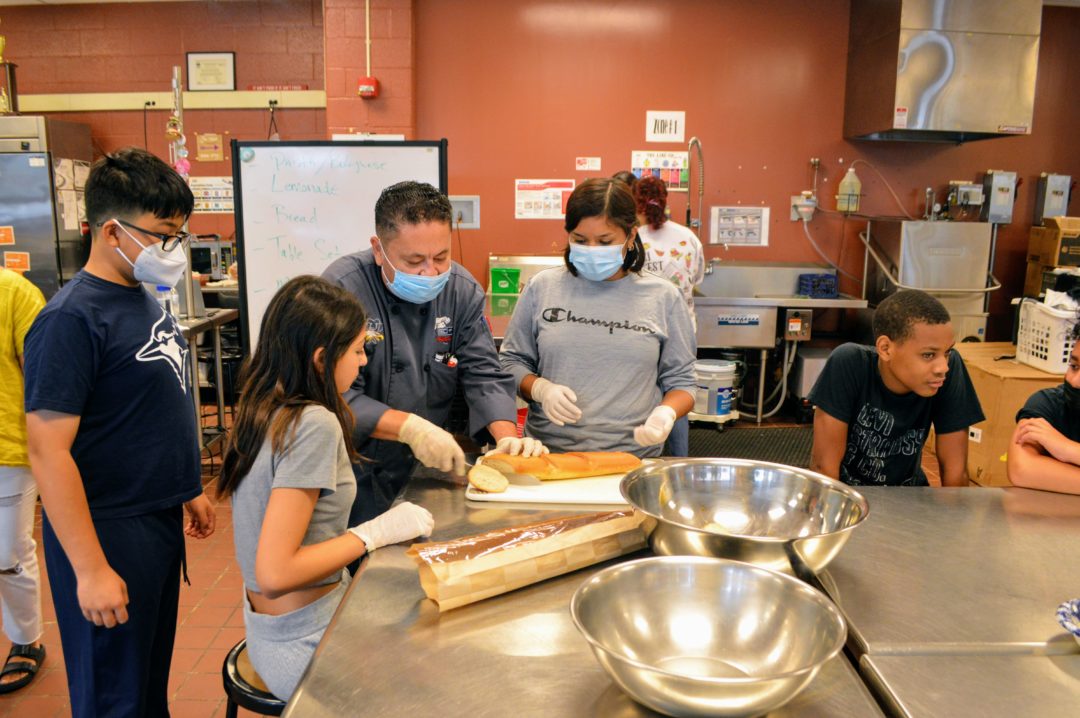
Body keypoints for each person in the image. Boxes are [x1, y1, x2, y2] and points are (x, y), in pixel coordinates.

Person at [23, 147, 216, 717]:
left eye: (178, 236)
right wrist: (90, 569)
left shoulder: (140, 297)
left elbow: (150, 404)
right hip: (107, 527)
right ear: (111, 230)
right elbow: (48, 452)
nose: (173, 251)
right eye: (163, 235)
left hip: (154, 518)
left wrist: (187, 485)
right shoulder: (70, 319)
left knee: (144, 684)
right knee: (114, 696)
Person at [220, 276, 433, 700]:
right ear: (322, 358)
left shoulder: (263, 405)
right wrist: (373, 534)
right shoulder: (313, 424)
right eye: (356, 351)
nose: (362, 363)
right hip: (304, 639)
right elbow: (276, 573)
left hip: (269, 629)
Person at [322, 181, 545, 525]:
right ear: (379, 250)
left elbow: (483, 372)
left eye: (441, 257)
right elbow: (332, 394)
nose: (431, 272)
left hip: (424, 471)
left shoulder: (461, 290)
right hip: (354, 465)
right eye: (414, 261)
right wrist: (411, 428)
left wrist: (506, 442)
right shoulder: (342, 289)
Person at [499, 177, 697, 457]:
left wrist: (666, 412)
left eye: (604, 241)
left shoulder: (663, 297)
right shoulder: (542, 288)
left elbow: (682, 381)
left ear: (630, 237)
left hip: (631, 458)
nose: (591, 250)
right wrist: (541, 389)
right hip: (548, 455)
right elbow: (510, 362)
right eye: (580, 240)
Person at [808, 289, 984, 486]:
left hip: (907, 499)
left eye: (948, 352)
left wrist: (952, 517)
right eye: (928, 355)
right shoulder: (849, 363)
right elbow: (823, 468)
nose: (943, 367)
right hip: (848, 497)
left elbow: (956, 473)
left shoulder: (951, 369)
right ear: (885, 348)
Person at [0, 268, 46, 694]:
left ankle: (26, 638)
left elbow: (43, 378)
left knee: (7, 553)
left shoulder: (15, 291)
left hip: (7, 447)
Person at [1008, 320, 1080, 494]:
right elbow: (1022, 470)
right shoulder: (1047, 404)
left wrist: (1068, 449)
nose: (1075, 381)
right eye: (1074, 366)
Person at [633, 175, 705, 327]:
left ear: (636, 204)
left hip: (646, 325)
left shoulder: (632, 238)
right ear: (664, 200)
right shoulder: (689, 236)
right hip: (683, 325)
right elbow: (696, 278)